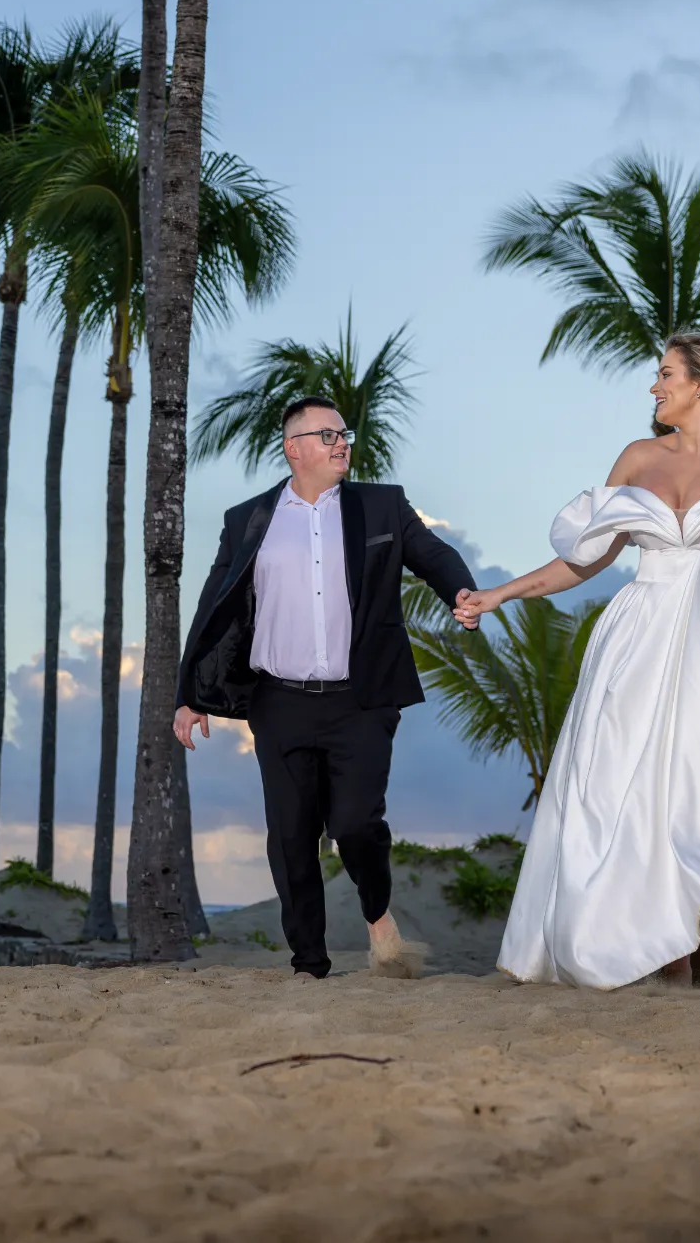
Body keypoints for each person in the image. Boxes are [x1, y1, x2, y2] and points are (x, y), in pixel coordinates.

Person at [455, 332, 700, 990]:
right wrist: (499, 593)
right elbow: (587, 557)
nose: (654, 386)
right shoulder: (637, 456)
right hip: (641, 634)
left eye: (664, 373)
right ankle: (654, 944)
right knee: (624, 789)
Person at [174, 395, 479, 979]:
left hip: (361, 699)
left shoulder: (381, 507)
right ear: (294, 449)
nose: (342, 443)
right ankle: (309, 963)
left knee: (356, 825)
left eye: (344, 434)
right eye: (327, 435)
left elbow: (432, 554)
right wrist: (190, 693)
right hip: (278, 701)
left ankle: (376, 912)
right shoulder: (248, 520)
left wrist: (461, 593)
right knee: (290, 836)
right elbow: (214, 606)